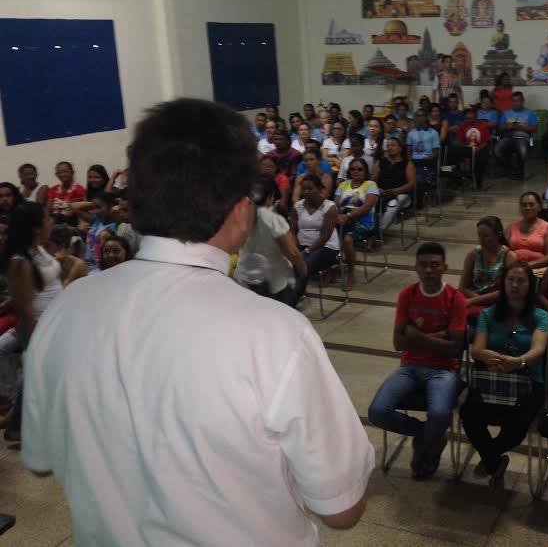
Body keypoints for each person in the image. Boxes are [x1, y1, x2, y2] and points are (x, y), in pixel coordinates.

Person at [22, 98, 374, 544]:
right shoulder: (274, 333)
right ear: (241, 211)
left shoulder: (67, 308)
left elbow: (40, 459)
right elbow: (342, 508)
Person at [368, 242, 466, 479]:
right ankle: (429, 437)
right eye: (424, 265)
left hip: (444, 370)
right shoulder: (407, 295)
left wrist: (416, 336)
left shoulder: (455, 299)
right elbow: (398, 343)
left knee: (440, 415)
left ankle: (422, 446)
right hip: (409, 367)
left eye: (434, 265)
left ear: (444, 267)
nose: (429, 270)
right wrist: (436, 338)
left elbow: (454, 349)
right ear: (416, 268)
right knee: (377, 412)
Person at [462, 262, 548, 487]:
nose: (515, 285)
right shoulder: (488, 314)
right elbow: (477, 350)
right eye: (510, 280)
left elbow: (538, 349)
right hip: (492, 378)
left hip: (528, 380)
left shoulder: (541, 316)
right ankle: (495, 462)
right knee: (468, 416)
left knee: (517, 426)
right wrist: (491, 357)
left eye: (521, 281)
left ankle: (489, 458)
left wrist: (518, 362)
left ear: (530, 286)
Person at [0, 202, 62, 444]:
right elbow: (25, 309)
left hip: (55, 322)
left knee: (38, 377)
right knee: (38, 377)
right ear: (36, 227)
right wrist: (36, 338)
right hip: (39, 326)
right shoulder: (19, 262)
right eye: (47, 218)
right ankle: (16, 426)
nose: (51, 221)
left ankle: (18, 424)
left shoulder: (40, 249)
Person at [239, 178, 308, 308]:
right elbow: (292, 253)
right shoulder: (272, 219)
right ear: (270, 197)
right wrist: (303, 268)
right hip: (274, 280)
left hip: (246, 276)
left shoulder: (240, 214)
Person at [290, 174, 342, 297]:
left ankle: (292, 300)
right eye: (304, 189)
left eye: (310, 189)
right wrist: (294, 249)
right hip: (302, 246)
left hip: (326, 247)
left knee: (304, 265)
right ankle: (291, 294)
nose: (306, 192)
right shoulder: (297, 206)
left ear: (319, 189)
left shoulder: (329, 207)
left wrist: (306, 252)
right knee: (283, 263)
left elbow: (325, 236)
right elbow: (292, 231)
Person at [459, 217, 517, 319]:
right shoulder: (473, 254)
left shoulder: (509, 257)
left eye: (486, 236)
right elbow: (463, 287)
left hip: (497, 302)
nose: (481, 240)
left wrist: (473, 301)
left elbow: (506, 290)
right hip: (474, 297)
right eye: (479, 235)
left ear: (498, 235)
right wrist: (478, 299)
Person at [335, 158, 379, 290]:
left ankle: (351, 273)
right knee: (326, 234)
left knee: (347, 239)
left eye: (360, 169)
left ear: (365, 171)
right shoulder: (343, 185)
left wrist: (348, 216)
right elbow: (336, 204)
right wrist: (339, 216)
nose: (356, 171)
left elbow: (367, 207)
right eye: (353, 169)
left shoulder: (371, 185)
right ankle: (330, 269)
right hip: (342, 218)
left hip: (363, 221)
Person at [508, 192, 548, 277]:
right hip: (513, 272)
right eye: (524, 205)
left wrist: (527, 266)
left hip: (538, 272)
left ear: (539, 207)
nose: (527, 208)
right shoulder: (511, 227)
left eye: (531, 204)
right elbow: (503, 251)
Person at [372, 136, 415, 232]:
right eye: (388, 146)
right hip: (382, 192)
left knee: (393, 205)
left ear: (400, 148)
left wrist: (395, 191)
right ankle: (371, 229)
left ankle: (379, 232)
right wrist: (378, 189)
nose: (390, 148)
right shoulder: (380, 162)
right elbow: (373, 180)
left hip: (401, 194)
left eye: (393, 145)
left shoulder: (408, 163)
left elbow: (411, 184)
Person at [495, 92, 538, 179]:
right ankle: (509, 169)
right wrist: (507, 126)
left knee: (522, 151)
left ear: (523, 101)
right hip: (508, 137)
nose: (516, 103)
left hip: (523, 137)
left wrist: (521, 127)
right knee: (497, 150)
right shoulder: (506, 113)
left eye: (518, 101)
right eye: (514, 101)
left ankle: (521, 171)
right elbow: (500, 127)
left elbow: (534, 128)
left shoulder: (530, 113)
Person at [407, 109, 441, 208]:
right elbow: (408, 151)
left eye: (422, 115)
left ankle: (418, 203)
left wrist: (427, 159)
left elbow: (436, 152)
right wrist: (410, 161)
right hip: (414, 162)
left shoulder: (433, 133)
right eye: (418, 116)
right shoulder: (411, 133)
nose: (420, 118)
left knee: (419, 179)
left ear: (426, 117)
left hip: (428, 162)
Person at [84, 192, 117, 273]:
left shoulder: (114, 226)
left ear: (110, 207)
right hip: (87, 265)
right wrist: (92, 203)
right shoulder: (97, 221)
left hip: (98, 268)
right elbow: (73, 207)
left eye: (99, 207)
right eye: (93, 208)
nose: (95, 211)